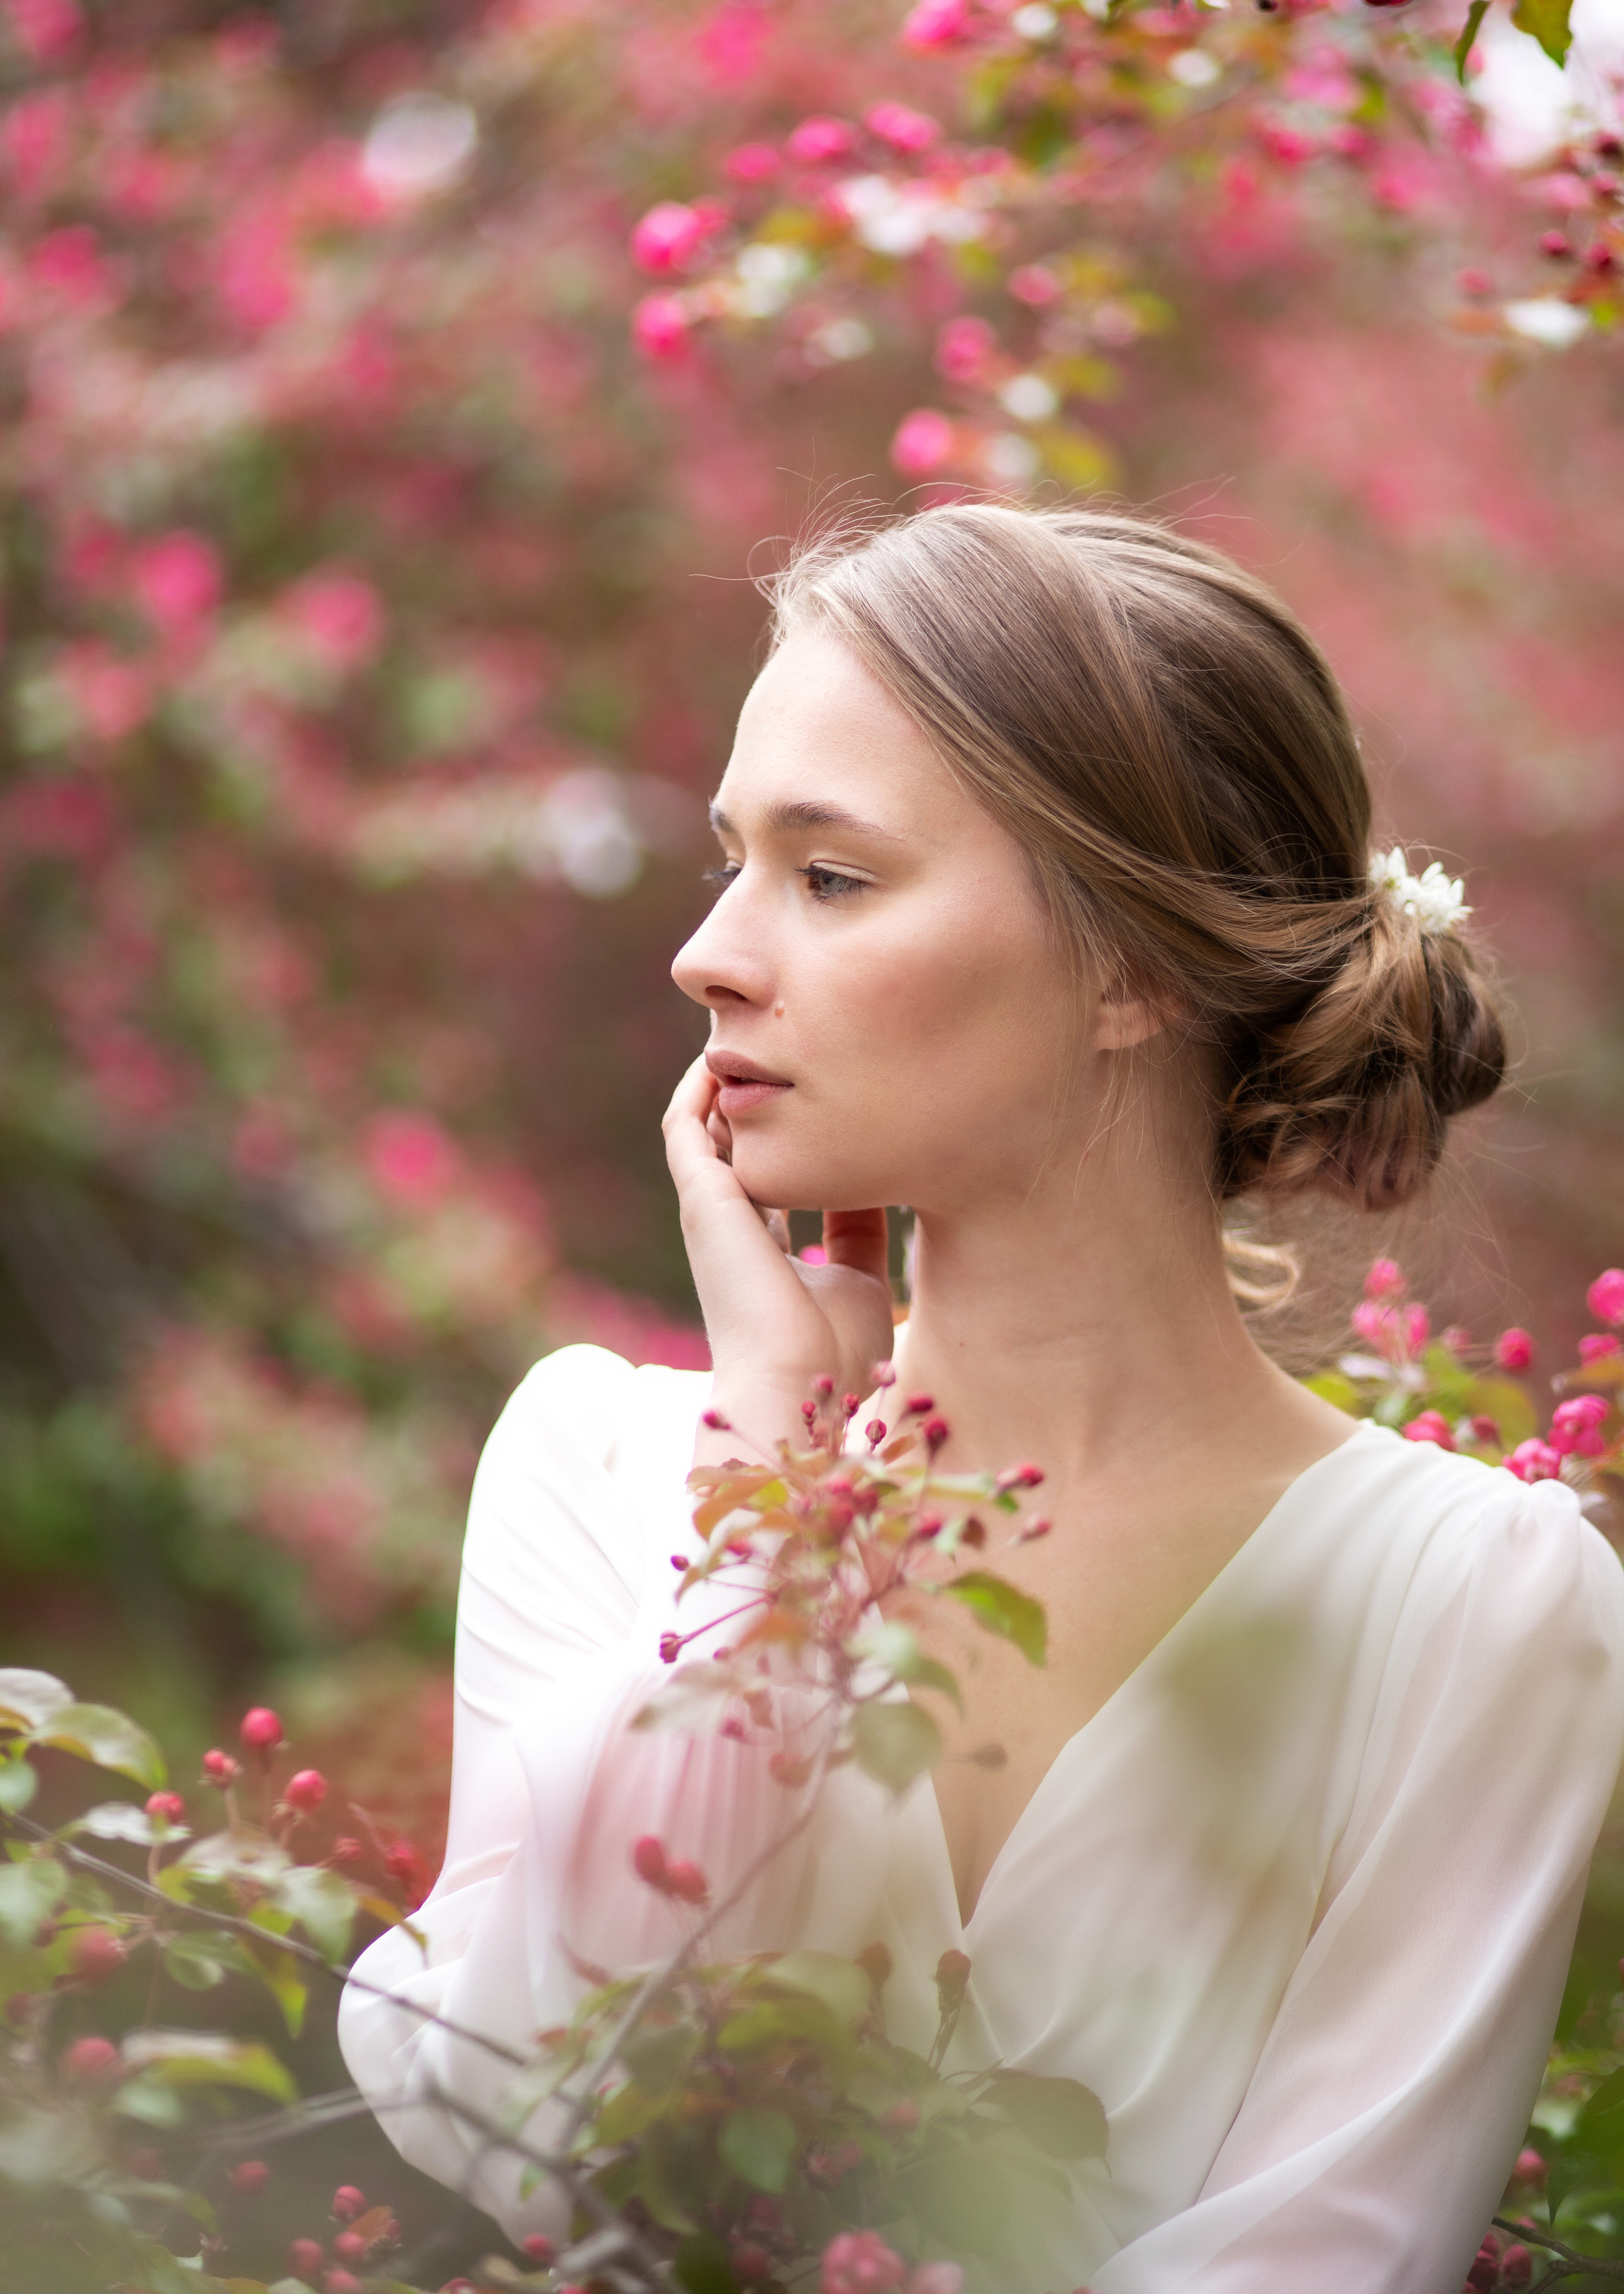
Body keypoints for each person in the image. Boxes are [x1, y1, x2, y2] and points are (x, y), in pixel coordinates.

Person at [339, 504, 1624, 2292]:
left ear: (1132, 969)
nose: (707, 953)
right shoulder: (606, 1476)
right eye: (729, 859)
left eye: (831, 877)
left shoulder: (1478, 1612)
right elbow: (525, 2114)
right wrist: (775, 1478)